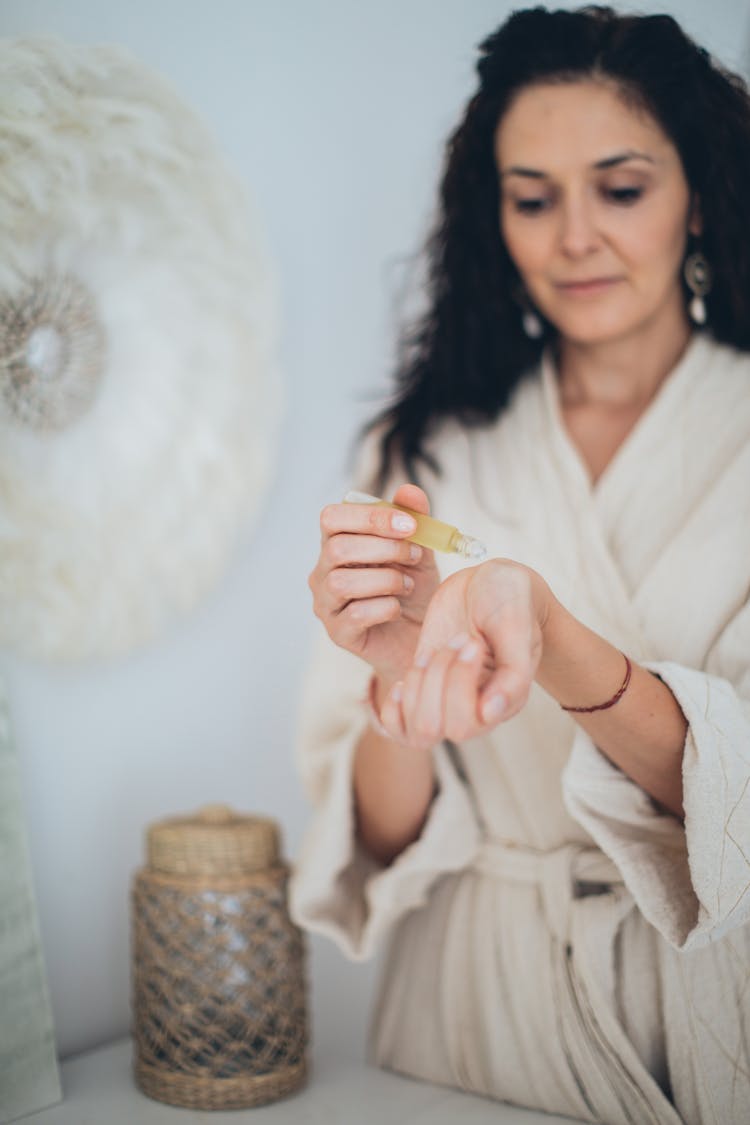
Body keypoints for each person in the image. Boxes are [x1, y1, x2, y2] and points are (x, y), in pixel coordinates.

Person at [290, 7, 750, 1123]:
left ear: (698, 194)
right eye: (533, 198)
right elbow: (374, 838)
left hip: (704, 1007)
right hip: (465, 1019)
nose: (573, 237)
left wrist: (547, 631)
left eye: (622, 188)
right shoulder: (418, 452)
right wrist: (400, 687)